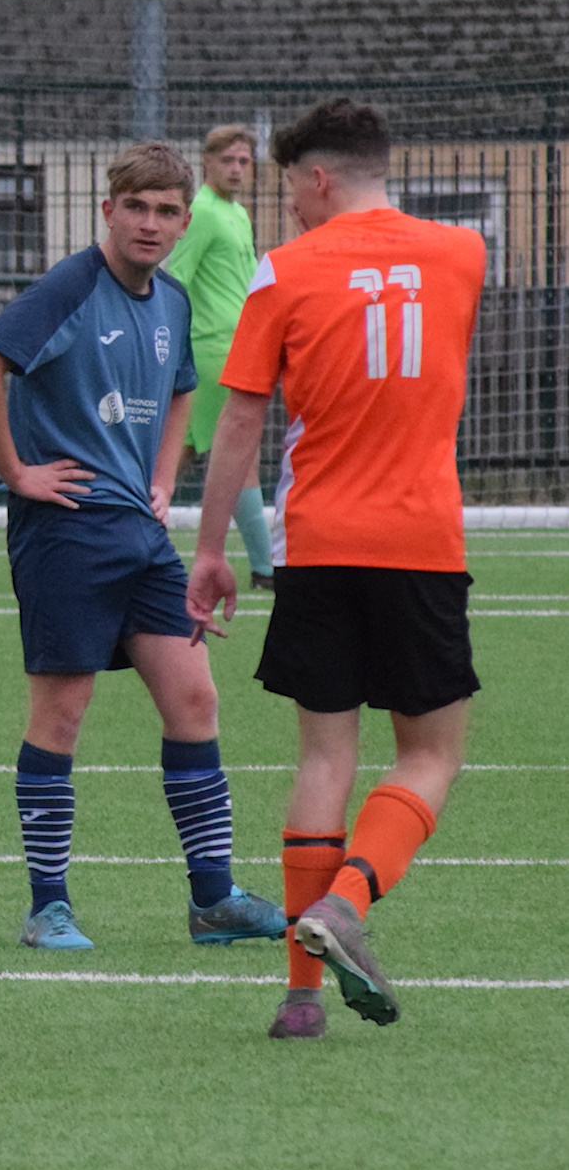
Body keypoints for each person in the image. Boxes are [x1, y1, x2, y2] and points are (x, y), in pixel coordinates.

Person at [186, 97, 486, 1039]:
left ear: (319, 177)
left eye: (294, 193)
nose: (292, 212)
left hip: (316, 542)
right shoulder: (463, 254)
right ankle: (350, 897)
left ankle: (300, 998)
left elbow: (239, 417)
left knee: (325, 756)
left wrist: (210, 550)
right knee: (432, 753)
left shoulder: (283, 272)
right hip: (422, 541)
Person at [0, 143, 286, 957]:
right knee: (62, 714)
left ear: (184, 218)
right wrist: (18, 472)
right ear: (108, 210)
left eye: (167, 209)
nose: (151, 222)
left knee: (195, 699)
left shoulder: (171, 298)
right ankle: (47, 907)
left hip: (139, 536)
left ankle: (213, 900)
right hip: (64, 529)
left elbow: (180, 392)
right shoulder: (72, 284)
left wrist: (163, 480)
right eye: (136, 205)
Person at [166, 123, 274, 588]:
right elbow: (175, 277)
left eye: (243, 161)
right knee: (239, 452)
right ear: (206, 162)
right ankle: (268, 569)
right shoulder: (204, 213)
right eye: (227, 160)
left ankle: (116, 535)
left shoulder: (237, 214)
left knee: (171, 454)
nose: (235, 168)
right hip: (213, 350)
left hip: (234, 346)